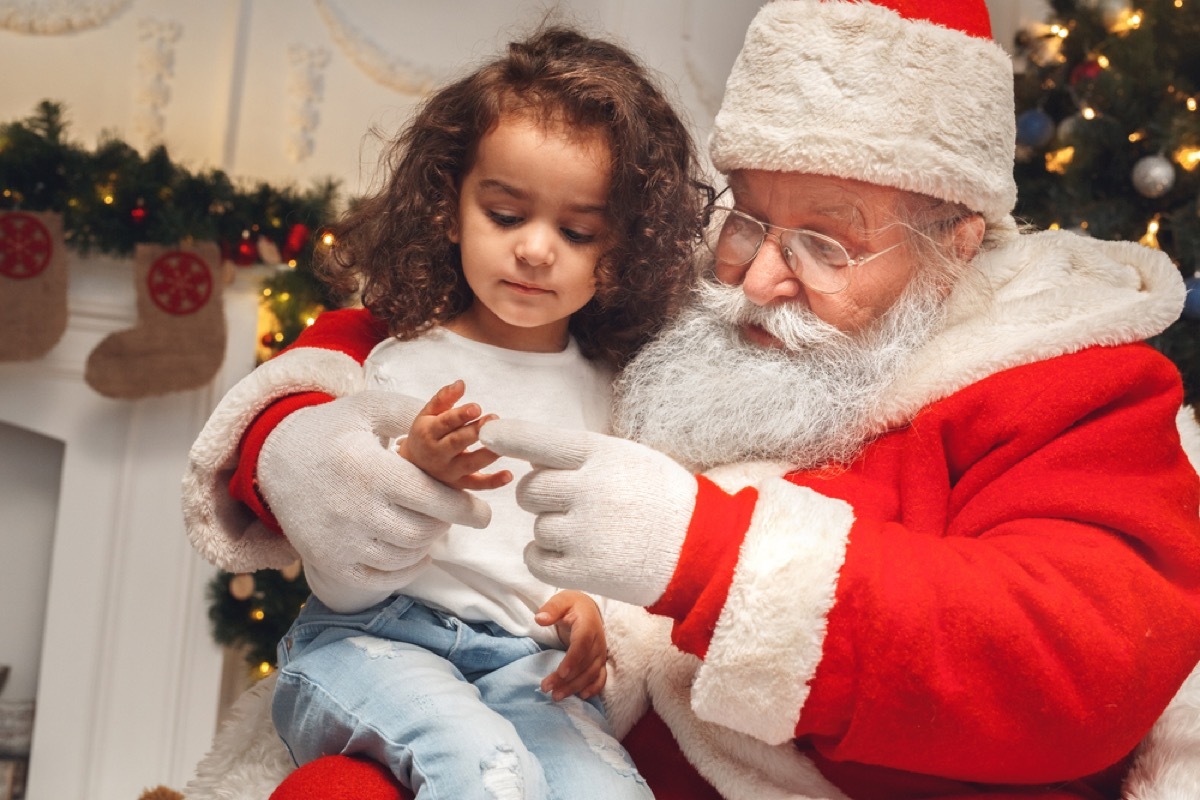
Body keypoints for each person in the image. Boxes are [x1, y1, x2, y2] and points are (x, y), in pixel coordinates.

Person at [183, 2, 1200, 799]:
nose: (758, 279)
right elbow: (429, 329)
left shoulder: (1068, 377)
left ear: (955, 242)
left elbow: (1082, 660)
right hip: (535, 710)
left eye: (826, 241)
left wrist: (707, 552)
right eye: (748, 218)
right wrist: (290, 442)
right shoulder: (694, 303)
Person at [182, 25, 710, 800]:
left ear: (623, 248)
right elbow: (341, 561)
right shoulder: (395, 362)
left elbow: (610, 539)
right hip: (369, 644)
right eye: (505, 215)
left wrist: (596, 618)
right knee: (481, 772)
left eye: (577, 231)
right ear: (451, 206)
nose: (536, 251)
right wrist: (412, 475)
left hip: (529, 667)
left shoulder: (613, 391)